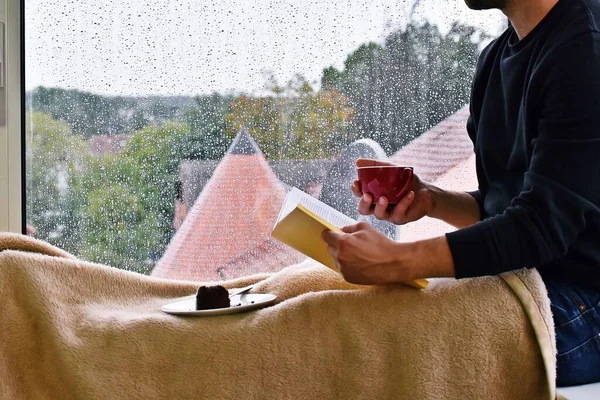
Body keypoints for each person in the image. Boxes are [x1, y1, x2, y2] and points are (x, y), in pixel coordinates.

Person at [322, 0, 600, 387]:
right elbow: (508, 210)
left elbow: (540, 227)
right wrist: (431, 200)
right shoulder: (494, 60)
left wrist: (399, 261)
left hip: (588, 306)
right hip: (528, 276)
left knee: (371, 331)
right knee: (333, 303)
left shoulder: (586, 48)